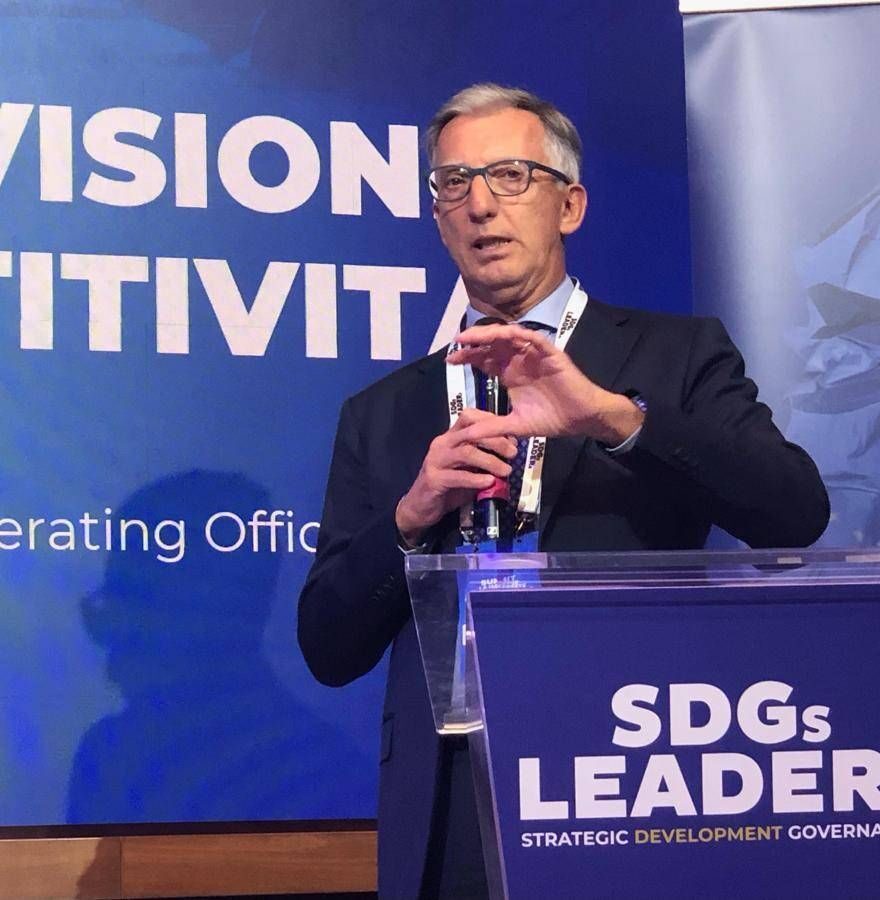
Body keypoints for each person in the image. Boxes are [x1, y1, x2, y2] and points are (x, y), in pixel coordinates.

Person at [298, 83, 829, 899]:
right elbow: (328, 647)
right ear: (437, 216)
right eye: (454, 183)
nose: (480, 204)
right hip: (454, 805)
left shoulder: (674, 356)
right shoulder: (385, 411)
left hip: (634, 777)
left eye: (510, 176)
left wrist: (614, 418)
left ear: (570, 205)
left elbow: (794, 511)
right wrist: (411, 516)